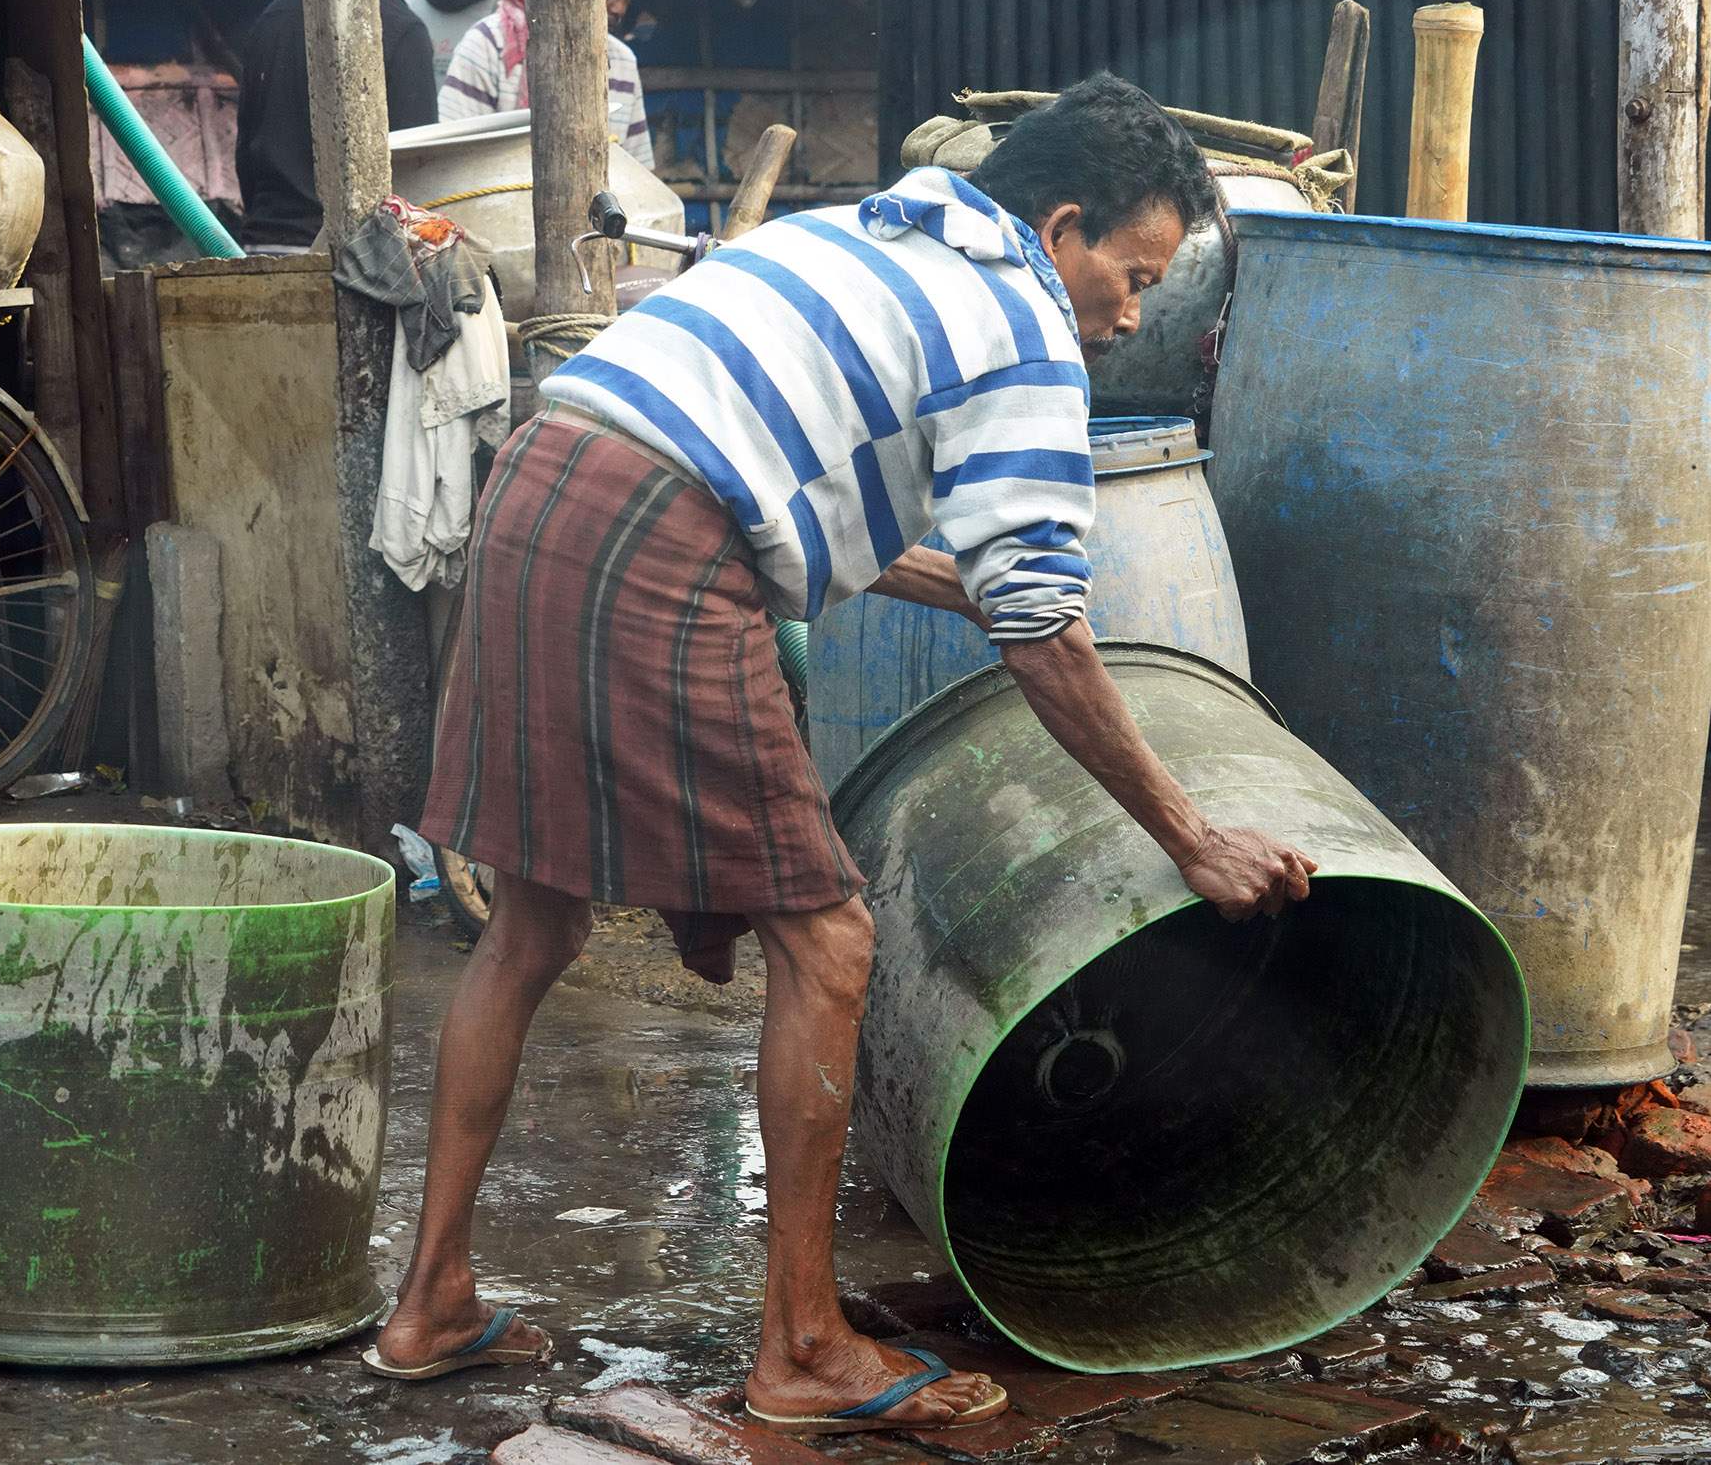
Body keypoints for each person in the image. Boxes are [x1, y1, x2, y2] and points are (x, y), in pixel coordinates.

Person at [367, 74, 1317, 1435]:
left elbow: (818, 494)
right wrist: (1192, 833)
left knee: (530, 918)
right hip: (662, 537)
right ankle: (804, 1345)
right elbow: (1042, 628)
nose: (1130, 314)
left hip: (545, 482)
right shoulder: (1023, 329)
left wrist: (996, 593)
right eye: (1134, 275)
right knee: (829, 940)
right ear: (1060, 230)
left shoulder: (864, 232)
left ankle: (431, 1300)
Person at [234, 0, 437, 252]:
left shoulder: (271, 21)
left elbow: (247, 153)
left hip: (266, 247)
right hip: (358, 263)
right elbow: (420, 170)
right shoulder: (401, 29)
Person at [438, 0, 652, 168]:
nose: (619, 8)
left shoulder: (621, 61)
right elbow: (452, 160)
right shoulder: (488, 44)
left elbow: (637, 170)